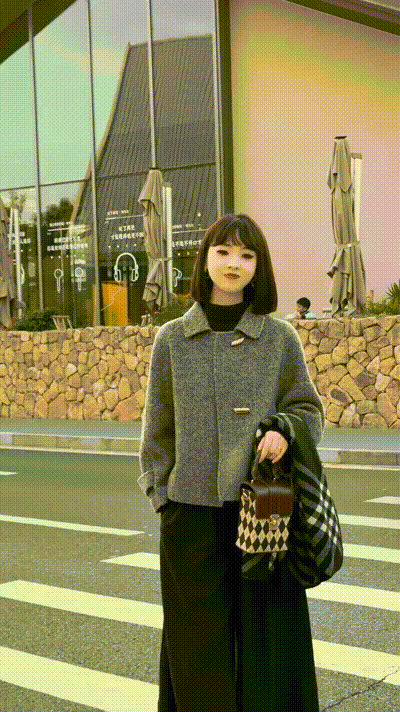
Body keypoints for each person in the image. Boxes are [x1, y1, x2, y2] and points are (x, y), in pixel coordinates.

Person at [138, 214, 325, 712]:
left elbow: (309, 410)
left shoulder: (279, 338)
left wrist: (285, 430)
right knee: (196, 642)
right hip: (190, 513)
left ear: (259, 266)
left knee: (271, 636)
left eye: (246, 255)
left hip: (266, 510)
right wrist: (163, 497)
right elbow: (157, 428)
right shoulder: (172, 339)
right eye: (222, 252)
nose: (233, 264)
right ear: (205, 260)